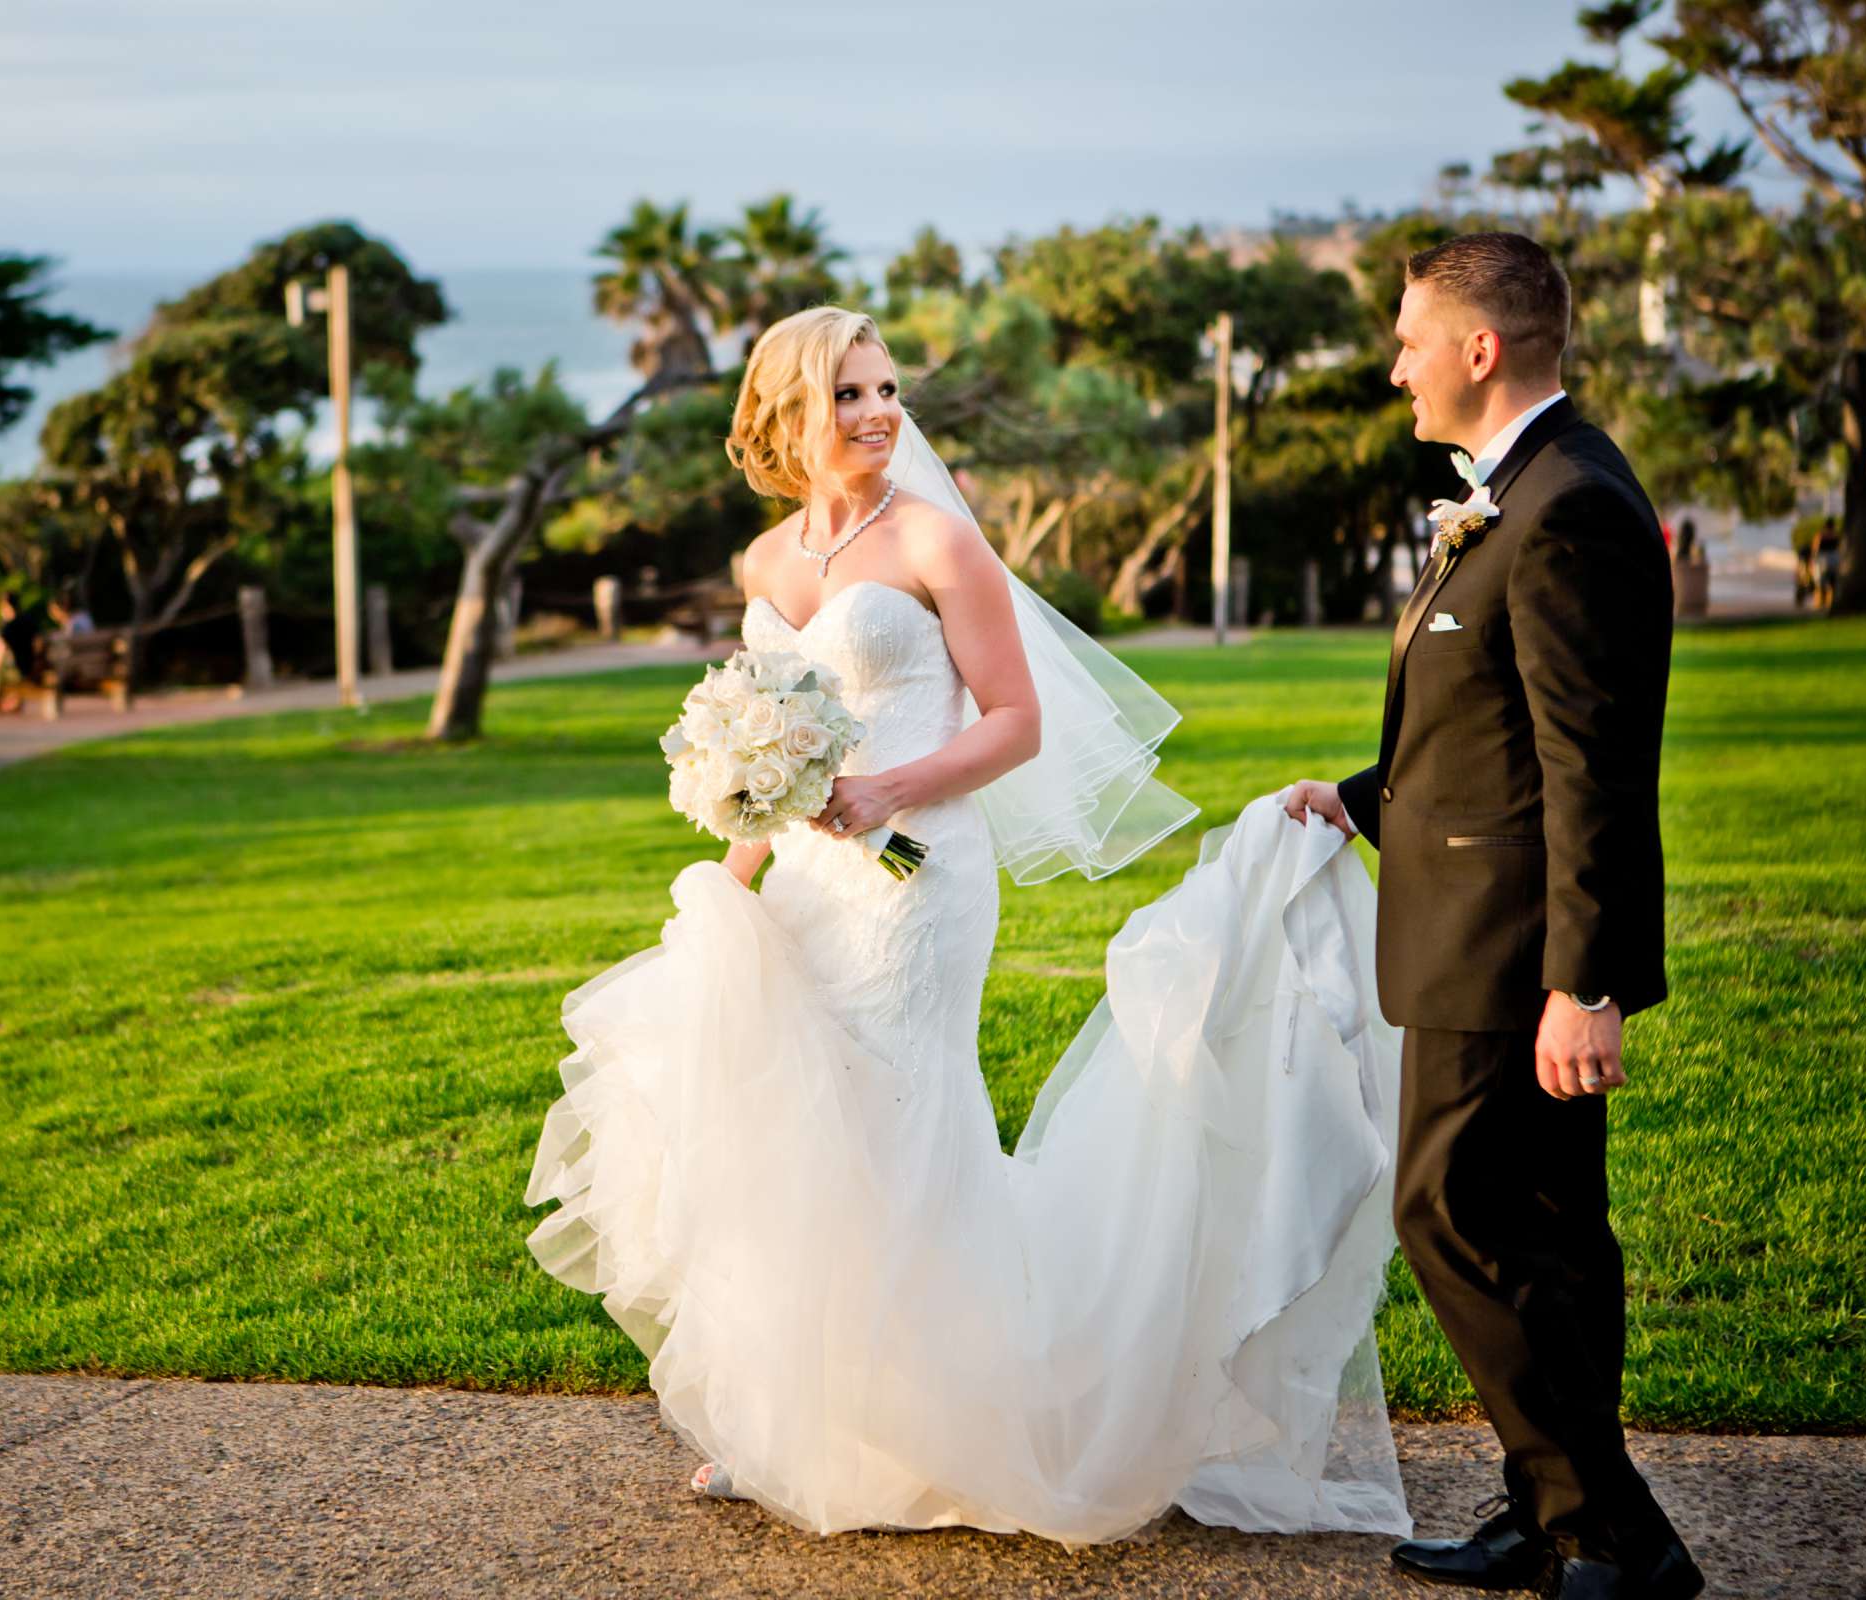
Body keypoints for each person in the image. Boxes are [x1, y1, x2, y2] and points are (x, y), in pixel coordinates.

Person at [524, 307, 1413, 1547]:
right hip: (802, 891)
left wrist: (890, 790)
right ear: (788, 411)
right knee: (800, 1127)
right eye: (848, 393)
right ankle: (811, 1422)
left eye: (887, 388)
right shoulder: (762, 565)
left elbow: (1016, 721)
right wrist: (734, 866)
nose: (880, 412)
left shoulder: (938, 540)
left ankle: (948, 1423)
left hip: (920, 878)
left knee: (903, 1116)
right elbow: (771, 749)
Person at [1287, 233, 1701, 1599]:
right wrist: (1361, 798)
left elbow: (1595, 763)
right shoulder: (1515, 491)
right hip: (1479, 922)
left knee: (1448, 1210)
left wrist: (1583, 982)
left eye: (1411, 338)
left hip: (1511, 951)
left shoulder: (1567, 503)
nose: (1396, 365)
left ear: (1482, 348)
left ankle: (1616, 1534)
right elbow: (1498, 732)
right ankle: (1547, 1511)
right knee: (1549, 1229)